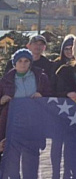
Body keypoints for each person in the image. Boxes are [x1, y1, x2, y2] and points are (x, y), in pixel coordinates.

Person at [0, 49, 52, 177]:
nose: (23, 64)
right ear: (14, 63)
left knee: (31, 163)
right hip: (12, 125)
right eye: (19, 61)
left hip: (33, 126)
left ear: (30, 63)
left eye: (26, 61)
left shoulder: (40, 78)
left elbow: (51, 96)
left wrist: (42, 95)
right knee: (12, 164)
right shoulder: (5, 81)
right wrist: (1, 100)